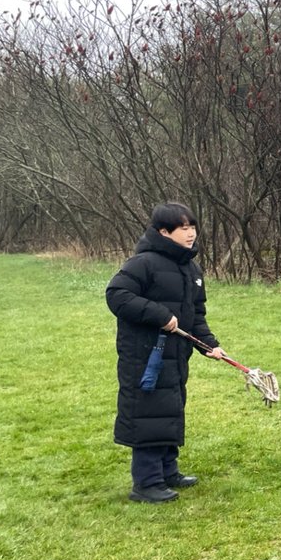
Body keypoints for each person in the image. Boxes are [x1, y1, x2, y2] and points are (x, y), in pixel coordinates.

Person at [107, 203, 225, 503]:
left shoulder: (191, 268)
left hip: (177, 354)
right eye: (183, 228)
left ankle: (167, 471)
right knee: (149, 412)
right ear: (163, 232)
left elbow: (195, 314)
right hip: (145, 356)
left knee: (170, 407)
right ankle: (146, 484)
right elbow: (117, 295)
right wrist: (159, 314)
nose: (191, 233)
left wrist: (209, 344)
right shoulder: (142, 263)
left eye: (192, 226)